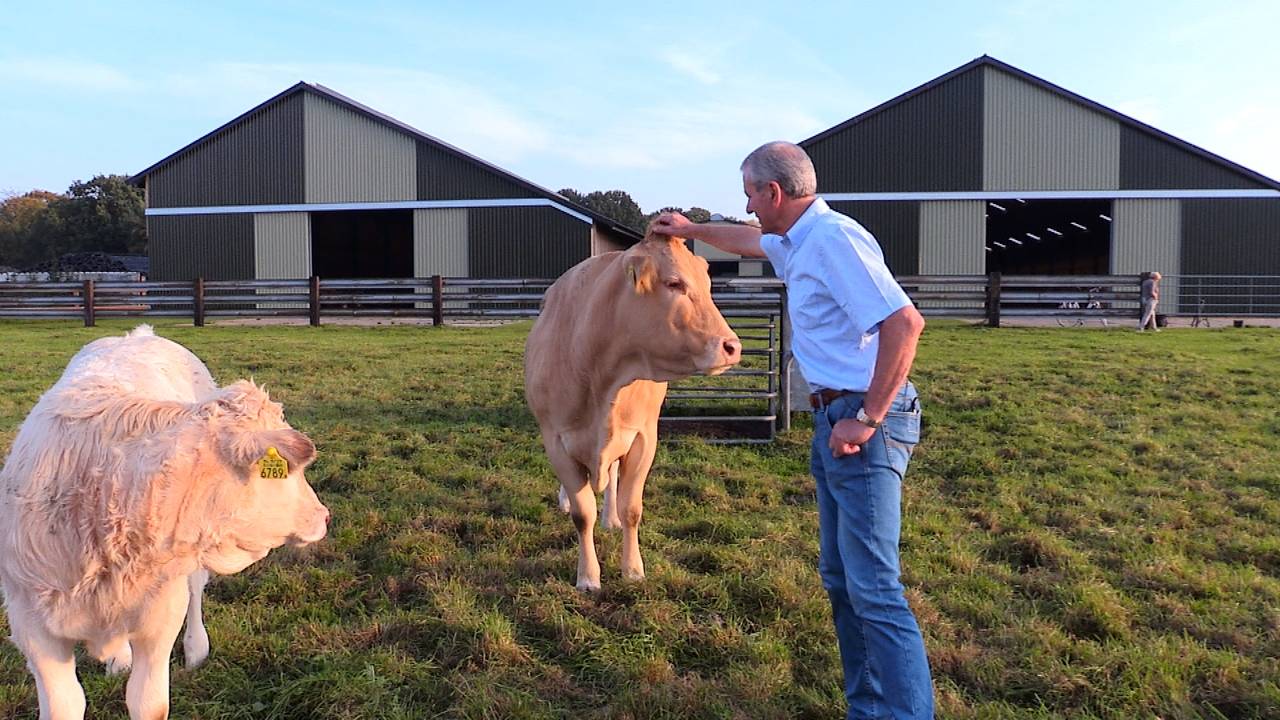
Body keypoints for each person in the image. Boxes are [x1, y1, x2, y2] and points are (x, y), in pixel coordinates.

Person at [651, 141, 932, 719]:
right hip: (833, 419)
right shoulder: (797, 238)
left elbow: (904, 324)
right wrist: (692, 228)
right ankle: (870, 708)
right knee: (842, 580)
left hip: (861, 422)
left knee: (875, 589)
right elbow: (751, 239)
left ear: (773, 192)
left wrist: (868, 420)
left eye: (750, 193)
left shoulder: (833, 241)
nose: (748, 205)